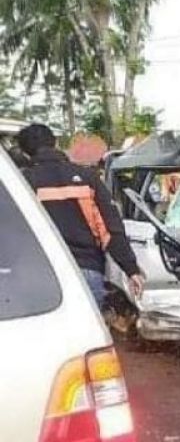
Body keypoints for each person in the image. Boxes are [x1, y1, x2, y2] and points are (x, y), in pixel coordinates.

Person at [17, 123, 144, 310]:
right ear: (56, 143)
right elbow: (110, 228)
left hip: (40, 275)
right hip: (86, 270)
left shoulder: (22, 183)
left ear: (25, 153)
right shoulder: (87, 177)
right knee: (89, 337)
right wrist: (131, 269)